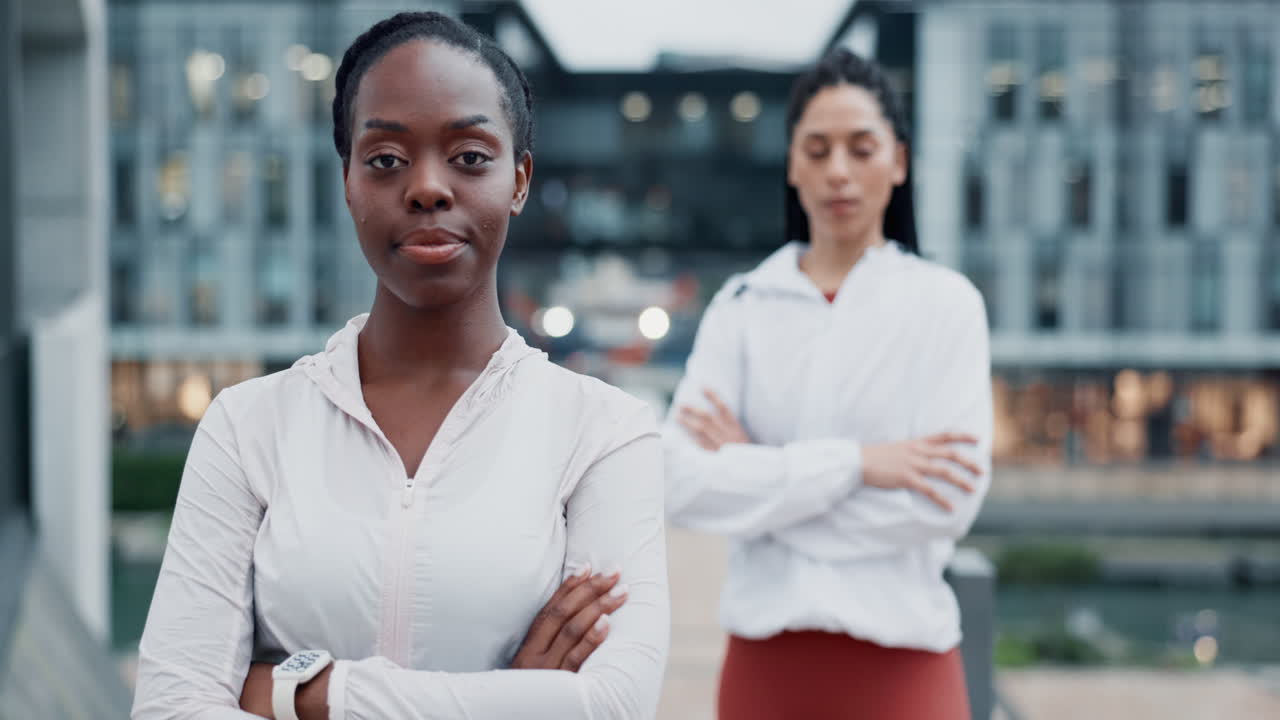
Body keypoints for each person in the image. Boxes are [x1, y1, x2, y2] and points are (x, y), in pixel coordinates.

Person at [131, 12, 668, 720]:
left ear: (519, 179)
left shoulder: (602, 433)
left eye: (470, 156)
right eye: (385, 159)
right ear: (349, 181)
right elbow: (171, 707)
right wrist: (514, 698)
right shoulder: (247, 425)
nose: (427, 188)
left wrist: (303, 692)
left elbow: (612, 705)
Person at [663, 49, 991, 720]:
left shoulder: (945, 304)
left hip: (907, 675)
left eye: (861, 148)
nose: (838, 170)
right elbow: (680, 485)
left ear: (898, 161)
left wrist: (757, 474)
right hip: (764, 673)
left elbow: (944, 505)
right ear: (792, 164)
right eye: (817, 149)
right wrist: (861, 465)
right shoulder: (743, 304)